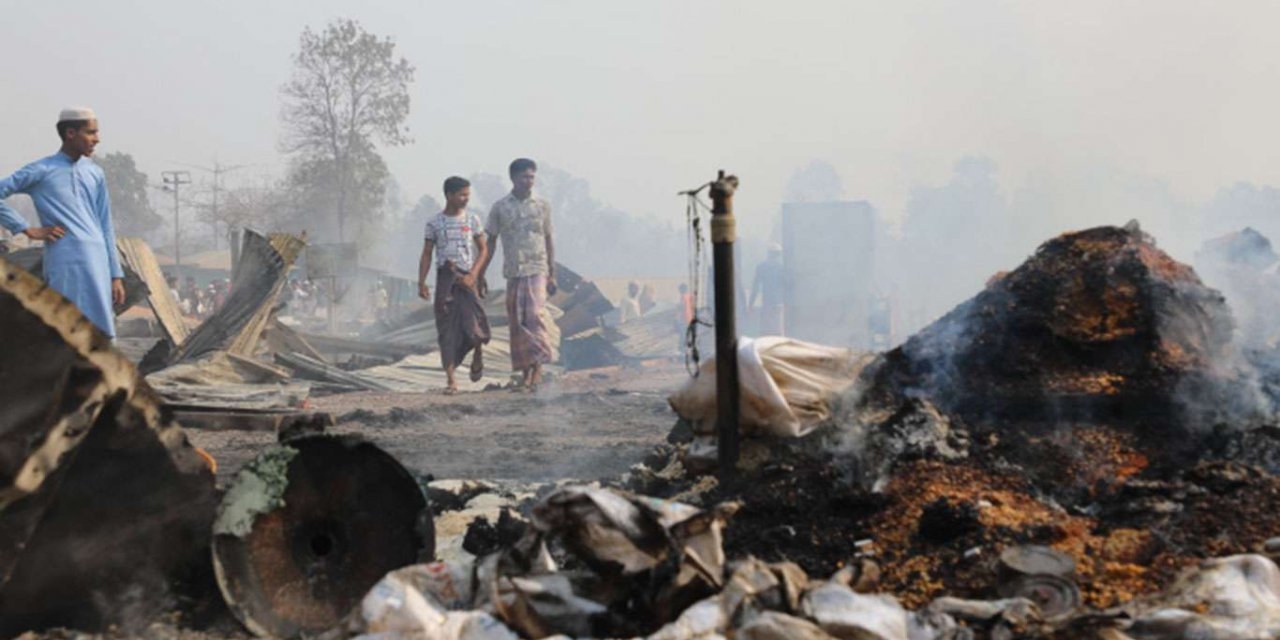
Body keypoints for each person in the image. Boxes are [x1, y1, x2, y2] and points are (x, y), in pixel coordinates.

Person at [0, 107, 124, 337]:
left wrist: (115, 275)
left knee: (102, 332)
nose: (97, 139)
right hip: (65, 260)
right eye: (91, 132)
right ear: (70, 133)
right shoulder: (42, 170)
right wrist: (25, 228)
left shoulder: (95, 173)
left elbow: (105, 224)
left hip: (98, 262)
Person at [477, 158, 557, 392]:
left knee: (534, 315)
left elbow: (548, 239)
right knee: (517, 322)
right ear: (513, 178)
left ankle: (538, 368)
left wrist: (552, 273)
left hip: (537, 268)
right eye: (524, 177)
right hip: (514, 271)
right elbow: (490, 242)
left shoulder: (542, 206)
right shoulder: (500, 207)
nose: (528, 181)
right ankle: (526, 372)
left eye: (531, 177)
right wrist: (480, 272)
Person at [420, 176, 491, 394]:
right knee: (446, 329)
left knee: (474, 324)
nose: (465, 199)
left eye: (468, 195)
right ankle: (451, 380)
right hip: (445, 279)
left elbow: (484, 250)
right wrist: (421, 282)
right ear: (449, 195)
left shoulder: (472, 220)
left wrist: (474, 275)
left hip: (467, 278)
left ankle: (477, 353)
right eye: (461, 195)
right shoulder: (434, 223)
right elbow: (427, 253)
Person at [750, 243, 786, 336]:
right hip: (778, 304)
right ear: (779, 254)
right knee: (778, 331)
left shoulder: (761, 267)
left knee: (766, 331)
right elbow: (787, 287)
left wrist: (751, 304)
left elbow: (755, 287)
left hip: (767, 304)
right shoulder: (782, 268)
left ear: (768, 253)